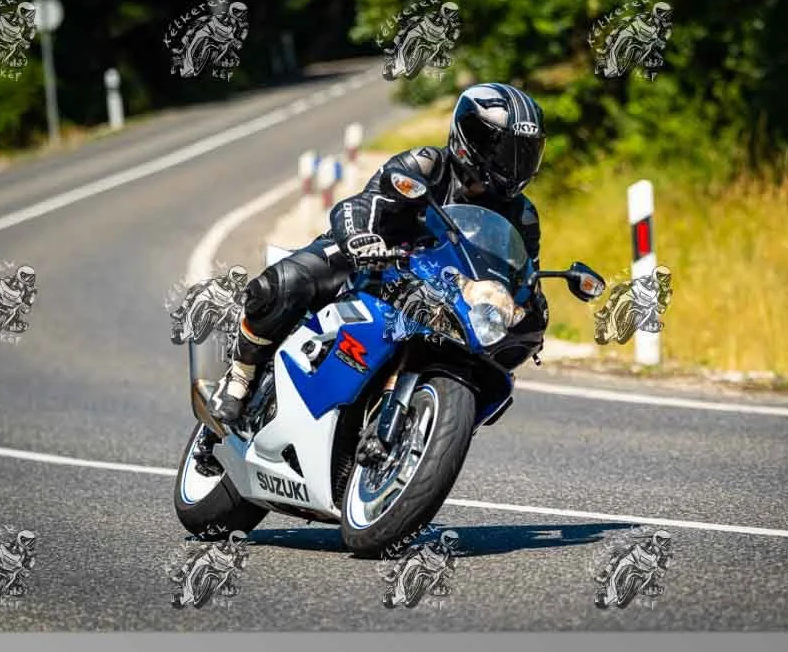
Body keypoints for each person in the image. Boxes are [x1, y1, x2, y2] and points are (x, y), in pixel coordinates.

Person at [198, 83, 551, 473]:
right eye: (505, 149)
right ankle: (240, 378)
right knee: (284, 284)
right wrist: (362, 238)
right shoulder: (427, 165)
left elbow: (522, 273)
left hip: (443, 293)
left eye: (525, 152)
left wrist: (528, 308)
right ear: (471, 137)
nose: (514, 163)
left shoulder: (522, 215)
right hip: (375, 259)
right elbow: (361, 204)